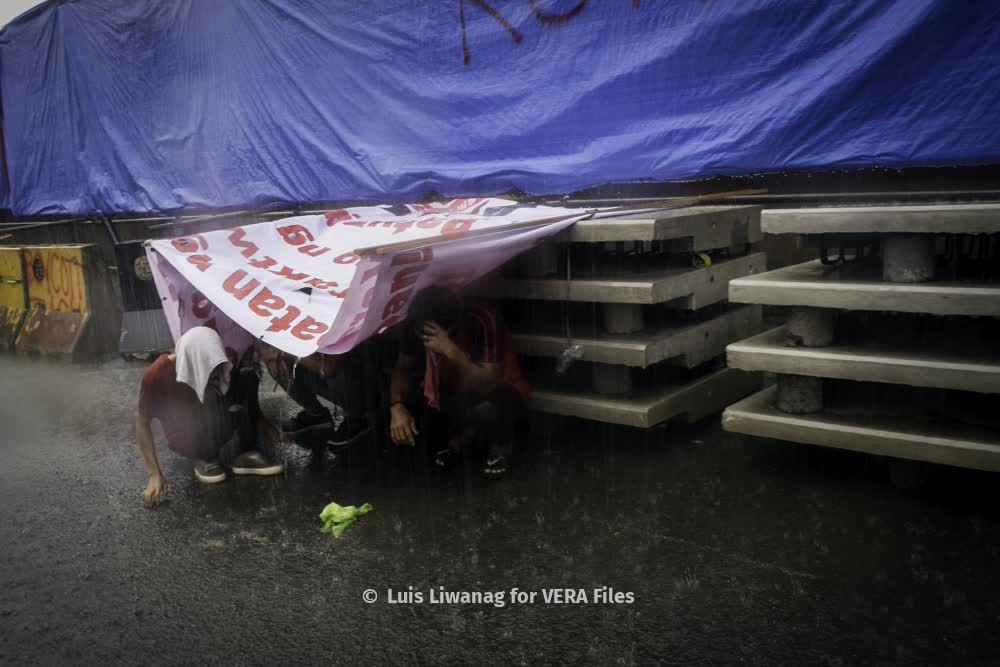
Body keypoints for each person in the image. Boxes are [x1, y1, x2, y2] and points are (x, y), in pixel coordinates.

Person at [388, 286, 529, 478]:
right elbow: (402, 368)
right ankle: (461, 441)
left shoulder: (483, 318)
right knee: (416, 424)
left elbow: (487, 383)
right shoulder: (415, 323)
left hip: (497, 390)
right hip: (450, 391)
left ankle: (497, 446)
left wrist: (452, 351)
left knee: (496, 403)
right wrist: (396, 407)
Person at [136, 326, 284, 506]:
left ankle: (243, 453)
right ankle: (204, 457)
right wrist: (154, 474)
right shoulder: (157, 374)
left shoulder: (219, 367)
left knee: (247, 374)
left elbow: (239, 395)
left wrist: (260, 422)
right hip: (184, 432)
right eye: (208, 370)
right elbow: (142, 423)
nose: (214, 374)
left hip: (215, 419)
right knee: (196, 422)